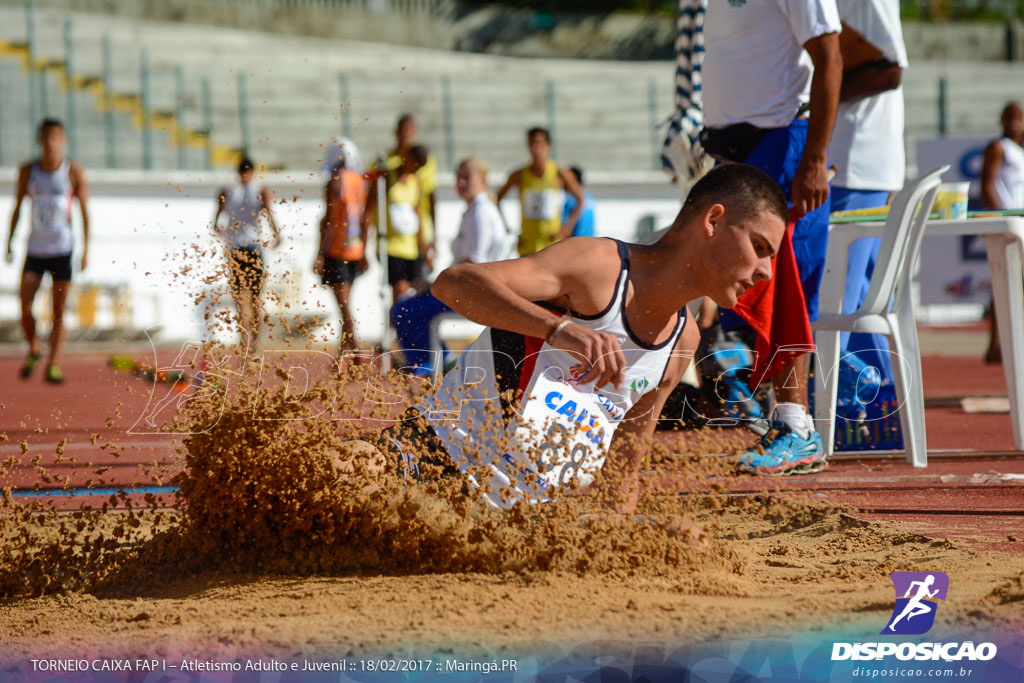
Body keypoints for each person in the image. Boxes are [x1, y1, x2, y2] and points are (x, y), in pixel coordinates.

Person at [346, 164, 788, 514]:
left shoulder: (681, 342)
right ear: (714, 220)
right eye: (760, 248)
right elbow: (454, 283)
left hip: (516, 523)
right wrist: (557, 328)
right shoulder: (598, 266)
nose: (766, 271)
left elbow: (622, 474)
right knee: (342, 471)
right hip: (431, 457)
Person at [700, 0, 842, 475]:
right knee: (746, 285)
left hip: (781, 141)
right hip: (737, 151)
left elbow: (831, 57)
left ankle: (797, 426)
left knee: (783, 287)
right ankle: (785, 421)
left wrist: (816, 158)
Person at [826, 0, 907, 423]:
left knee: (840, 295)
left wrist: (819, 91)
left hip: (856, 163)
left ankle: (858, 399)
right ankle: (878, 406)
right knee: (861, 298)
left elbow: (890, 70)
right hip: (860, 162)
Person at [391, 158, 510, 376]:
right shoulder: (474, 211)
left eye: (467, 177)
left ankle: (430, 366)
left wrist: (436, 285)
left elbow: (474, 265)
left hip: (473, 293)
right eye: (458, 178)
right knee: (405, 305)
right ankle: (440, 360)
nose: (461, 183)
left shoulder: (481, 213)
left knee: (403, 310)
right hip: (465, 289)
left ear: (483, 181)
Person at [4, 118, 90, 384]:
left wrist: (86, 250)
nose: (51, 142)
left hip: (62, 249)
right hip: (35, 249)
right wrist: (9, 241)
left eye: (56, 137)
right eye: (46, 136)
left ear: (63, 141)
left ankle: (53, 363)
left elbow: (84, 213)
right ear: (39, 140)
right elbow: (17, 207)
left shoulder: (73, 172)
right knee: (25, 305)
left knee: (58, 312)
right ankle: (34, 347)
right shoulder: (28, 172)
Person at [212, 158, 281, 348]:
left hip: (236, 248)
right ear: (252, 170)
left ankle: (244, 338)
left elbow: (216, 223)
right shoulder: (260, 189)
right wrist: (277, 235)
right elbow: (269, 213)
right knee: (255, 297)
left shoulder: (227, 190)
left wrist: (225, 232)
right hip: (253, 248)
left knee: (240, 297)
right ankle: (254, 341)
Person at [496, 128, 585, 256]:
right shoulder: (519, 175)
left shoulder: (560, 173)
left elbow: (581, 200)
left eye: (539, 143)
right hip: (528, 246)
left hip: (552, 245)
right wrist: (508, 230)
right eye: (532, 143)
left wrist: (567, 227)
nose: (535, 147)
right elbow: (497, 199)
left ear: (548, 146)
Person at [981, 101, 1024, 363]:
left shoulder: (1019, 150)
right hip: (1008, 222)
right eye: (1009, 115)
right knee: (1004, 282)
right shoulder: (998, 148)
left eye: (1019, 115)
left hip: (1021, 221)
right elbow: (987, 184)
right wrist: (1000, 217)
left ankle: (1006, 343)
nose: (1014, 120)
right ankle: (995, 344)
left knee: (1013, 283)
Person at [315, 152, 369, 355]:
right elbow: (366, 218)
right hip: (355, 249)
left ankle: (355, 352)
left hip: (337, 250)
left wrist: (319, 253)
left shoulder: (335, 182)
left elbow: (327, 220)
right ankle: (342, 356)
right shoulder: (359, 181)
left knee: (343, 306)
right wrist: (365, 248)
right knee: (344, 304)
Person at [364, 145, 428, 305]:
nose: (414, 169)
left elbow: (417, 215)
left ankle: (403, 326)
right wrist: (364, 244)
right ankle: (397, 327)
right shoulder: (386, 178)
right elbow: (369, 210)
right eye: (414, 164)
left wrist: (424, 248)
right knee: (400, 291)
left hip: (410, 248)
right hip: (390, 246)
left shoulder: (415, 182)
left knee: (415, 293)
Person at [380, 115, 439, 278]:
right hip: (392, 238)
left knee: (416, 285)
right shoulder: (386, 164)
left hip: (417, 234)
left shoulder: (424, 165)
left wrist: (434, 234)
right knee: (399, 287)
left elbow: (429, 198)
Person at [559, 166, 596, 239]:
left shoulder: (571, 200)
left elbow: (564, 229)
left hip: (575, 243)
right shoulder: (589, 197)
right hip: (590, 241)